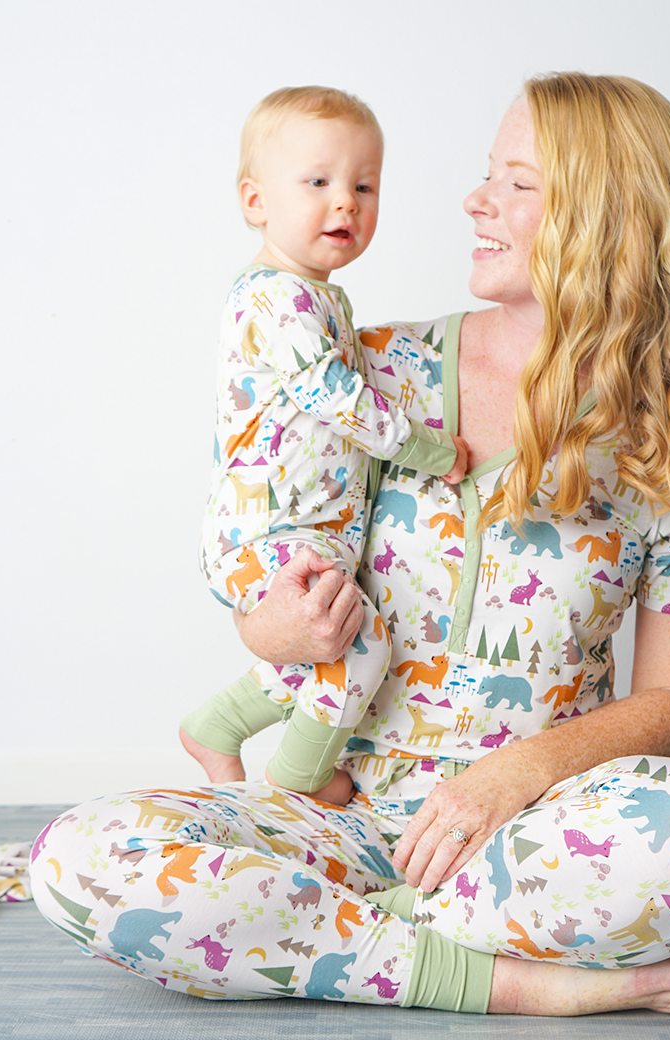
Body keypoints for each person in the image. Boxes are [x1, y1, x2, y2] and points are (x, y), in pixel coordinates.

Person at [32, 73, 670, 1017]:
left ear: (605, 216)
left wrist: (519, 775)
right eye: (485, 175)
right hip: (339, 819)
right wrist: (272, 631)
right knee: (81, 858)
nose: (476, 200)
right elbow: (273, 536)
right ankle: (508, 983)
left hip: (529, 832)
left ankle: (320, 939)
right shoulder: (371, 370)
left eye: (519, 182)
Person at [186, 86, 469, 805]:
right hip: (270, 525)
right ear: (256, 201)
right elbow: (334, 398)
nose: (345, 202)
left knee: (322, 644)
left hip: (311, 525)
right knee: (363, 642)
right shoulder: (276, 298)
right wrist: (432, 451)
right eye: (317, 182)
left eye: (364, 185)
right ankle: (298, 787)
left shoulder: (319, 297)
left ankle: (215, 727)